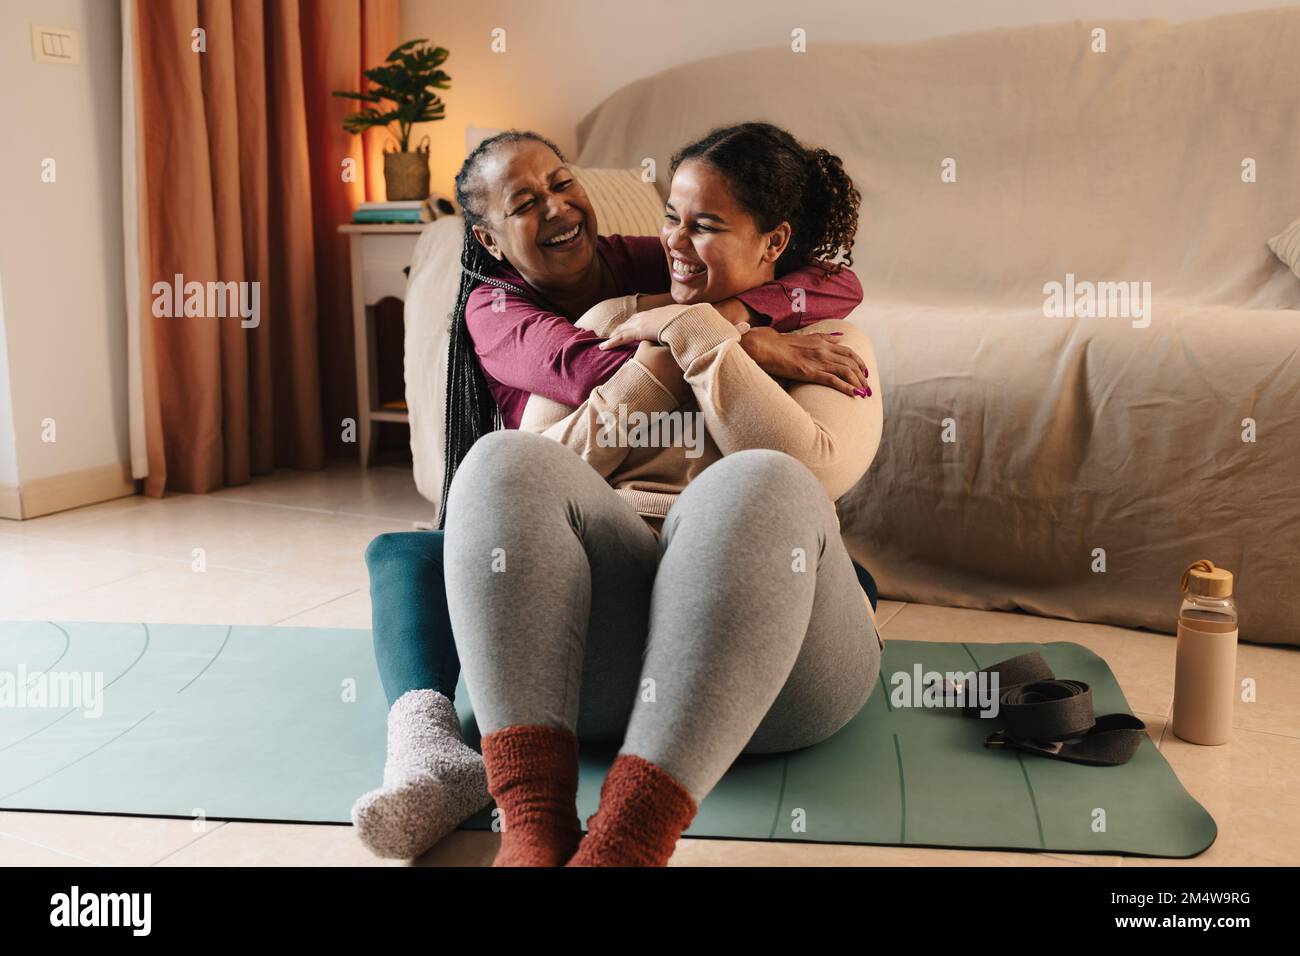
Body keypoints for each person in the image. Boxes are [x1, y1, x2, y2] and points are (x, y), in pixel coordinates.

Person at [440, 121, 883, 866]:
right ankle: (532, 825)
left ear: (773, 244)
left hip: (782, 680)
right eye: (670, 217)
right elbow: (545, 469)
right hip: (605, 666)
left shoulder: (827, 342)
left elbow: (815, 470)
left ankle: (628, 844)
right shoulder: (609, 320)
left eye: (704, 225)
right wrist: (679, 341)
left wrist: (702, 334)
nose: (675, 241)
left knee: (753, 480)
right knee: (497, 462)